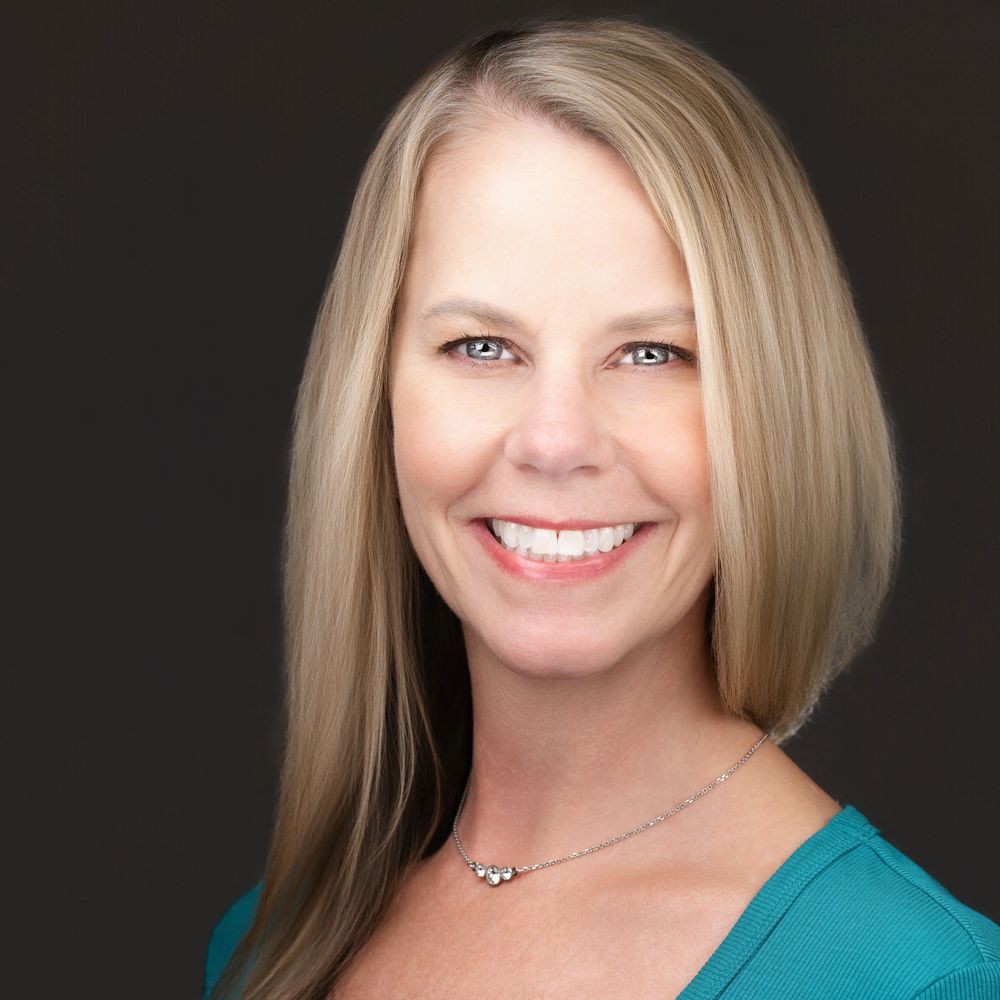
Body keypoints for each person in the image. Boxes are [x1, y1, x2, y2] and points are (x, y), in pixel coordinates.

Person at [204, 16, 1000, 1000]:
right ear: (377, 397)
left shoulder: (915, 979)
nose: (554, 439)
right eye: (481, 346)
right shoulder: (270, 945)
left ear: (771, 411)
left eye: (652, 353)